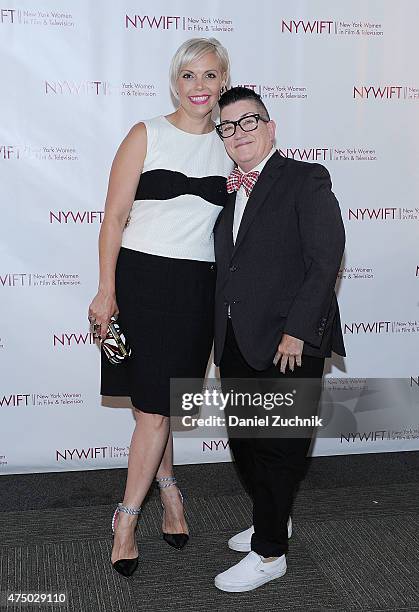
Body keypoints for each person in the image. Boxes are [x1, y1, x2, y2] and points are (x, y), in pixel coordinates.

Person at [88, 38, 232, 577]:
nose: (200, 86)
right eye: (190, 75)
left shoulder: (231, 146)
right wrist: (107, 290)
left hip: (198, 286)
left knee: (166, 402)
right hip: (141, 278)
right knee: (151, 408)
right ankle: (128, 518)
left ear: (224, 83)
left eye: (211, 75)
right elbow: (113, 216)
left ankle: (169, 488)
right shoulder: (146, 134)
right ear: (176, 82)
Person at [212, 86, 346, 592]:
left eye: (249, 122)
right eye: (228, 127)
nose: (239, 133)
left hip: (288, 345)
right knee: (246, 444)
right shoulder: (225, 191)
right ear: (222, 138)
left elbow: (325, 256)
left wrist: (296, 330)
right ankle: (274, 520)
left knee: (280, 449)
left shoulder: (305, 178)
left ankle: (270, 554)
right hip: (236, 340)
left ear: (270, 127)